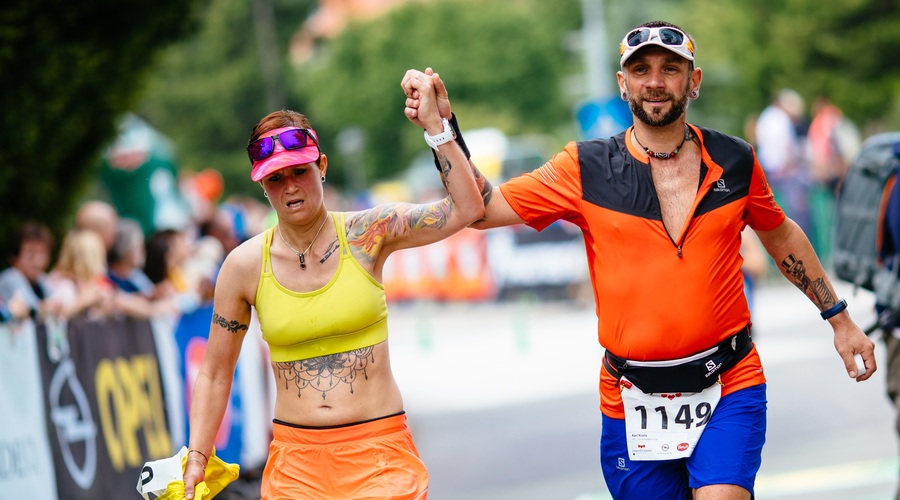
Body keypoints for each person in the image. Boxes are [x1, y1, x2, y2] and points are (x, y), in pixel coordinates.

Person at [406, 20, 876, 499]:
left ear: (693, 81)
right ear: (622, 83)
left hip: (729, 383)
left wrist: (839, 318)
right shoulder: (583, 167)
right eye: (641, 69)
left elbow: (782, 237)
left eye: (671, 68)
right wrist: (442, 131)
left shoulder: (736, 160)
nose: (655, 81)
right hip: (632, 398)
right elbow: (482, 209)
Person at [182, 69, 483, 500]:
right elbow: (214, 373)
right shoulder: (244, 266)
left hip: (380, 455)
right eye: (275, 179)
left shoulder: (371, 231)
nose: (290, 188)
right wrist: (197, 458)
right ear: (263, 186)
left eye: (299, 171)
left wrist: (437, 128)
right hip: (295, 465)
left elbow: (466, 209)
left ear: (321, 166)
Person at [0, 220, 55, 319]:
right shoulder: (10, 277)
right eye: (31, 254)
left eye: (43, 254)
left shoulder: (41, 280)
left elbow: (55, 303)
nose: (38, 261)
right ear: (14, 258)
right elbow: (34, 310)